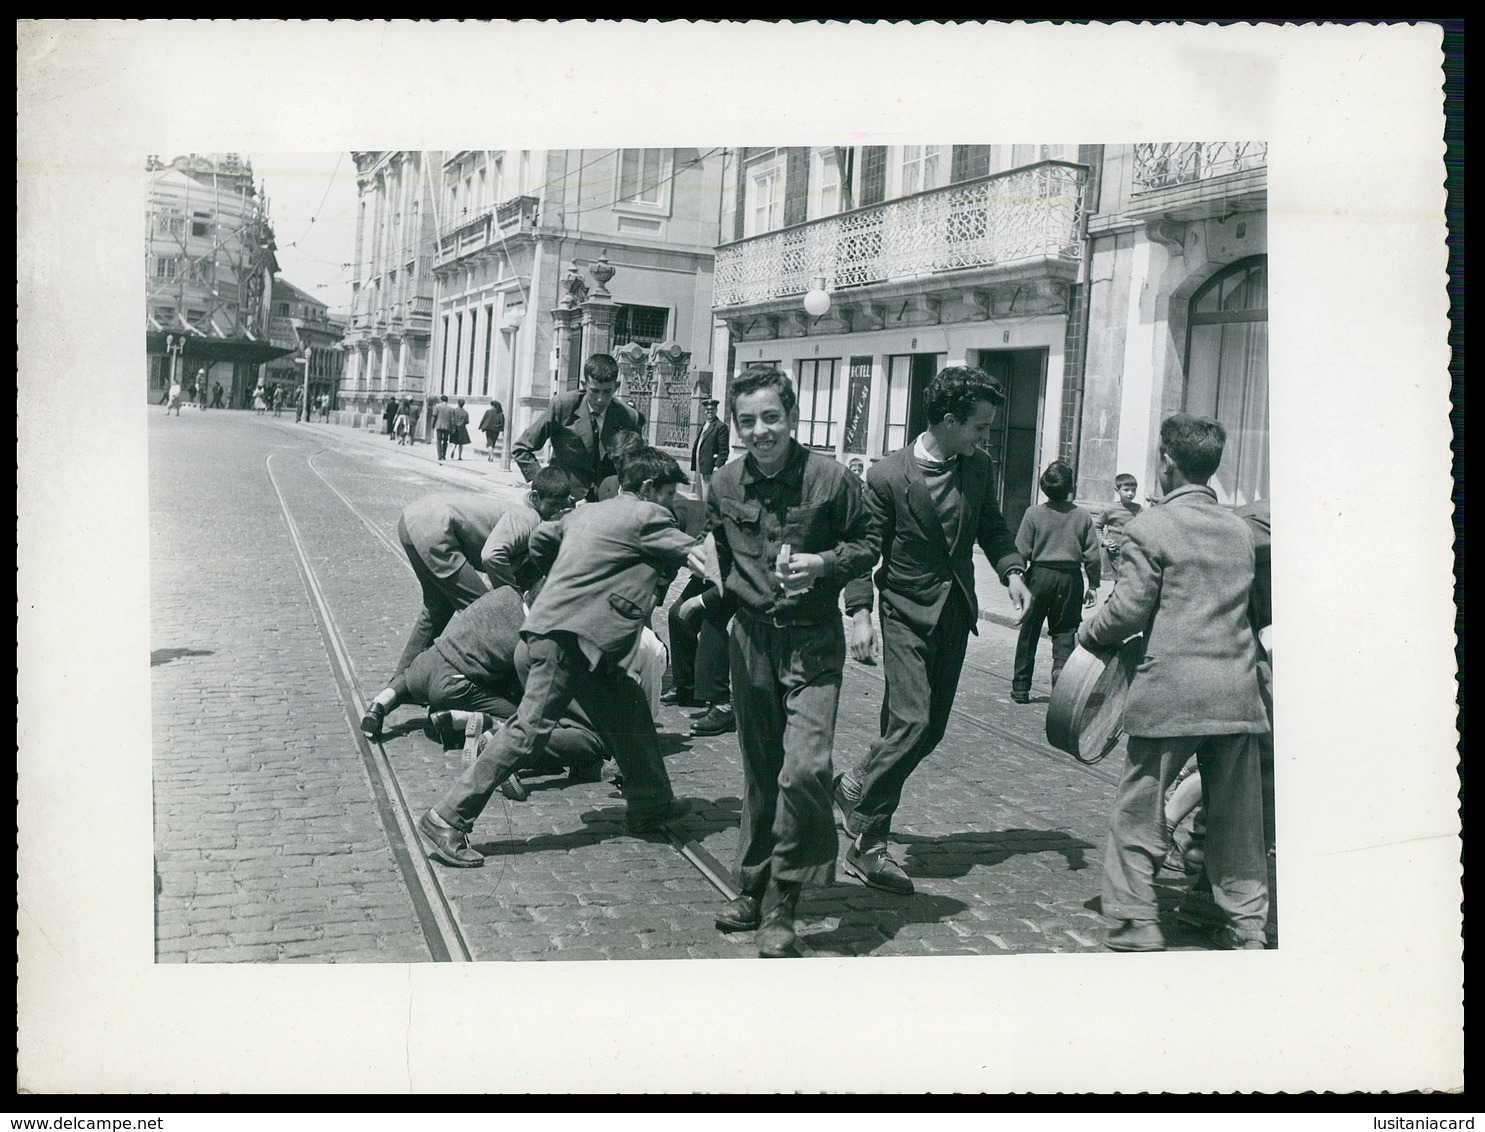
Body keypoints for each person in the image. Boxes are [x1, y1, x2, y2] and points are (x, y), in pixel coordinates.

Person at [417, 446, 699, 868]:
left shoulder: (587, 512)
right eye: (669, 493)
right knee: (529, 729)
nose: (672, 503)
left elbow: (541, 540)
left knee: (630, 705)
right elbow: (701, 559)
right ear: (647, 488)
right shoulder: (648, 516)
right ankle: (448, 817)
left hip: (574, 637)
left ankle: (650, 802)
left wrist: (563, 586)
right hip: (567, 641)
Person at [834, 366, 1032, 894]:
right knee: (912, 723)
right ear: (948, 421)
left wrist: (1011, 570)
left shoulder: (977, 467)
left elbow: (990, 525)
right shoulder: (886, 476)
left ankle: (856, 791)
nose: (985, 439)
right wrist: (860, 615)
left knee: (924, 731)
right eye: (980, 428)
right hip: (903, 611)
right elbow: (861, 552)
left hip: (954, 613)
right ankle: (868, 838)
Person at [1078, 414, 1270, 952]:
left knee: (1139, 810)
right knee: (1238, 824)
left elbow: (1128, 612)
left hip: (1172, 695)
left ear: (1166, 462)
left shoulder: (1151, 528)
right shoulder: (1239, 531)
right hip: (1236, 692)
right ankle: (1247, 927)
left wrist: (1088, 630)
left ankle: (1134, 922)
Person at [705, 367, 875, 957]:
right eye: (747, 421)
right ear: (736, 425)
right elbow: (722, 552)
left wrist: (826, 567)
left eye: (771, 417)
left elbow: (867, 545)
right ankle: (752, 886)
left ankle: (783, 900)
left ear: (793, 417)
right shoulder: (723, 483)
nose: (761, 431)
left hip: (813, 641)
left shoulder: (832, 479)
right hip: (751, 639)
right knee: (759, 769)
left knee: (803, 769)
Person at [359, 586, 604, 782]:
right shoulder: (529, 636)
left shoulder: (504, 592)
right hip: (454, 685)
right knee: (518, 714)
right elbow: (522, 684)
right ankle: (478, 724)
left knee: (409, 680)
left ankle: (381, 704)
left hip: (428, 663)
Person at [386, 492, 508, 687]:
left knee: (437, 606)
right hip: (435, 530)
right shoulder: (532, 524)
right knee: (484, 611)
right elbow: (494, 559)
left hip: (410, 522)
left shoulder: (520, 512)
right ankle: (489, 685)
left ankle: (399, 684)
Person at [1010, 460, 1102, 703]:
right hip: (1070, 578)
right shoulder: (1081, 515)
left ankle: (1021, 687)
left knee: (1029, 631)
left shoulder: (1033, 513)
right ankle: (1060, 671)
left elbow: (1021, 549)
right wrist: (1093, 584)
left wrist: (1018, 576)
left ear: (1043, 487)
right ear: (1069, 488)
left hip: (1039, 576)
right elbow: (1093, 554)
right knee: (1065, 630)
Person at [512, 353, 646, 501]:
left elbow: (637, 463)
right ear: (583, 385)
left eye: (607, 391)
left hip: (607, 504)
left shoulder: (629, 417)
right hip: (565, 501)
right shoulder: (562, 406)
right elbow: (521, 448)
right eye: (594, 391)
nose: (600, 399)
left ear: (617, 387)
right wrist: (547, 486)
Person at [480, 466, 576, 597]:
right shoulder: (522, 515)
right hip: (500, 574)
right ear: (535, 496)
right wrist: (511, 595)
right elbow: (494, 557)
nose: (557, 509)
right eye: (553, 505)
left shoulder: (547, 503)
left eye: (562, 504)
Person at [1094, 473, 1143, 572]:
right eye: (1126, 490)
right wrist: (1104, 541)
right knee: (1120, 581)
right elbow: (1097, 526)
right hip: (1115, 552)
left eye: (1133, 490)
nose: (1130, 493)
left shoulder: (1139, 509)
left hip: (1133, 551)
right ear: (1117, 490)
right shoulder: (1110, 509)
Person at [690, 398, 729, 506]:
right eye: (707, 409)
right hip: (700, 464)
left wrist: (718, 465)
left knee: (707, 494)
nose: (709, 412)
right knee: (699, 492)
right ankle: (700, 514)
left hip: (709, 465)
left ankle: (708, 516)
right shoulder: (705, 424)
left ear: (716, 410)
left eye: (712, 409)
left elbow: (724, 450)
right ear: (704, 411)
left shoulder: (720, 427)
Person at [432, 395, 456, 461]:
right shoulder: (451, 409)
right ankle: (444, 455)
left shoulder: (437, 407)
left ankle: (439, 455)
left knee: (439, 441)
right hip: (447, 427)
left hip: (439, 426)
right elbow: (453, 420)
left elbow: (434, 417)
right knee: (445, 441)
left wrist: (433, 425)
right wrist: (453, 428)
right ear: (447, 401)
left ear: (441, 400)